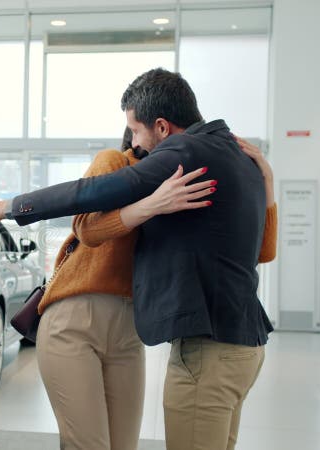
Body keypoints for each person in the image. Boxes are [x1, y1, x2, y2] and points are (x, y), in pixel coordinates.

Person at [0, 68, 277, 450]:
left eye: (137, 129)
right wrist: (266, 185)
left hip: (203, 345)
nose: (135, 141)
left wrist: (7, 206)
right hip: (242, 345)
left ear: (161, 127)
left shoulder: (186, 154)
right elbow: (265, 252)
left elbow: (92, 192)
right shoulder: (239, 159)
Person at [35, 128, 214, 450]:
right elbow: (86, 227)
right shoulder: (115, 162)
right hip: (75, 318)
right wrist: (151, 205)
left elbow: (265, 252)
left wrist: (267, 181)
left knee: (123, 445)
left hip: (130, 330)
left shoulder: (182, 186)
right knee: (88, 444)